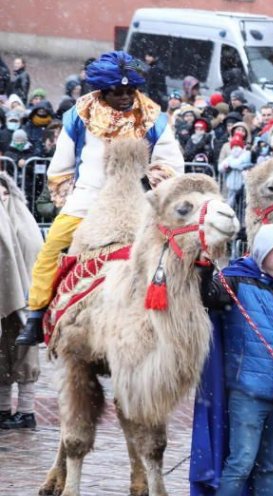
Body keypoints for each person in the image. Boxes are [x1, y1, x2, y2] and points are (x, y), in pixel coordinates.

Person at [15, 51, 184, 346]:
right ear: (102, 90)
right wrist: (66, 199)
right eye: (117, 92)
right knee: (50, 249)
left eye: (130, 91)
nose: (125, 97)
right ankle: (36, 314)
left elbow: (172, 163)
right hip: (85, 200)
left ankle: (172, 315)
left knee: (168, 254)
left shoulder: (153, 118)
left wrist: (153, 182)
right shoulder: (78, 115)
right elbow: (61, 166)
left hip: (135, 202)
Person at [190, 224, 273, 496]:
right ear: (263, 253)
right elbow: (207, 295)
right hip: (248, 395)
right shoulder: (236, 280)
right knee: (241, 463)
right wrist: (204, 268)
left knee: (270, 467)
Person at [0, 172, 43, 429]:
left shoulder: (22, 222)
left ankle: (26, 411)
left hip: (25, 297)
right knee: (2, 351)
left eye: (4, 193)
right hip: (11, 295)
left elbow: (30, 253)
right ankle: (3, 408)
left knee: (25, 350)